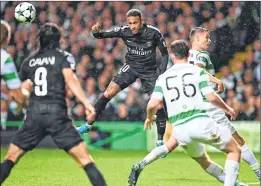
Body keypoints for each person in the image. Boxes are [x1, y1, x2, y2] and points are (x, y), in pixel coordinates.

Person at [0, 23, 107, 186]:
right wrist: (86, 104)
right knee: (85, 159)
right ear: (57, 41)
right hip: (57, 115)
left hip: (34, 115)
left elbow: (20, 90)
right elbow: (71, 80)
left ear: (40, 40)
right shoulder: (61, 57)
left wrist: (25, 99)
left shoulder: (30, 61)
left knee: (11, 157)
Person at [128, 40, 245, 186]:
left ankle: (236, 184)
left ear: (171, 56)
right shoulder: (197, 71)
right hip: (200, 122)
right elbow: (211, 96)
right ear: (189, 54)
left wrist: (150, 117)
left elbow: (152, 104)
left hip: (180, 129)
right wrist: (228, 109)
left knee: (203, 160)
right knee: (234, 150)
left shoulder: (163, 78)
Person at [77, 9, 169, 147]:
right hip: (131, 67)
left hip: (149, 71)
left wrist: (161, 74)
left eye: (135, 23)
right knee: (107, 93)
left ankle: (160, 140)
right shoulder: (124, 31)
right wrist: (95, 32)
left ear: (141, 21)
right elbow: (102, 35)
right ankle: (88, 124)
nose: (132, 26)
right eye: (130, 23)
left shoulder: (154, 33)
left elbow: (165, 54)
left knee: (158, 104)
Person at [188, 27, 260, 180]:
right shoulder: (202, 55)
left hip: (195, 104)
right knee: (237, 141)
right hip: (209, 104)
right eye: (206, 38)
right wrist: (216, 80)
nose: (209, 40)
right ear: (197, 39)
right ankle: (258, 172)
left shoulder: (187, 55)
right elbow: (197, 70)